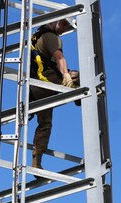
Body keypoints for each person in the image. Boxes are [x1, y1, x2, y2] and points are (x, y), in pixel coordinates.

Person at [30, 18, 77, 169]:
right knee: (83, 78)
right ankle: (81, 99)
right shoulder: (50, 37)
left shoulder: (36, 35)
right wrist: (66, 75)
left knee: (45, 124)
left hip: (36, 87)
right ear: (54, 20)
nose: (64, 28)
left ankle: (36, 160)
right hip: (48, 80)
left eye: (67, 26)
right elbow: (59, 57)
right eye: (63, 24)